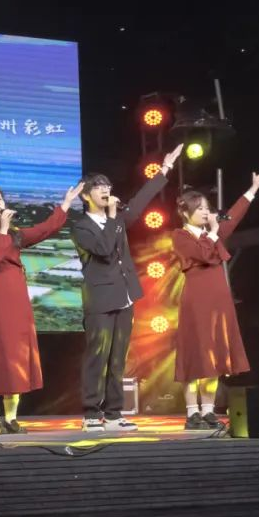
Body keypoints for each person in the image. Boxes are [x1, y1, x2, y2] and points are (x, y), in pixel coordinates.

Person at [71, 143, 183, 432]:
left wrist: (165, 168)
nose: (105, 190)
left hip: (124, 295)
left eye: (107, 186)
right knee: (98, 356)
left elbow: (141, 199)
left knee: (119, 358)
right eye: (98, 187)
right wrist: (111, 217)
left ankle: (113, 413)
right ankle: (91, 413)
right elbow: (104, 248)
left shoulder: (117, 217)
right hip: (99, 298)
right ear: (85, 195)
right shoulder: (81, 226)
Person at [0, 182, 83, 434]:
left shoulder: (14, 234)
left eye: (0, 198)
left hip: (17, 300)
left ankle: (11, 417)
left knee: (15, 354)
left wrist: (65, 205)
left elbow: (44, 229)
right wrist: (2, 230)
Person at [171, 169, 259, 430]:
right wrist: (215, 232)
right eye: (200, 208)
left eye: (207, 208)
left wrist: (253, 189)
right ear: (185, 212)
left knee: (214, 354)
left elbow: (235, 216)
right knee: (195, 354)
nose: (206, 212)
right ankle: (192, 412)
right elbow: (203, 255)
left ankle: (208, 410)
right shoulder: (181, 236)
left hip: (219, 301)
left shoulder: (212, 233)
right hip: (196, 302)